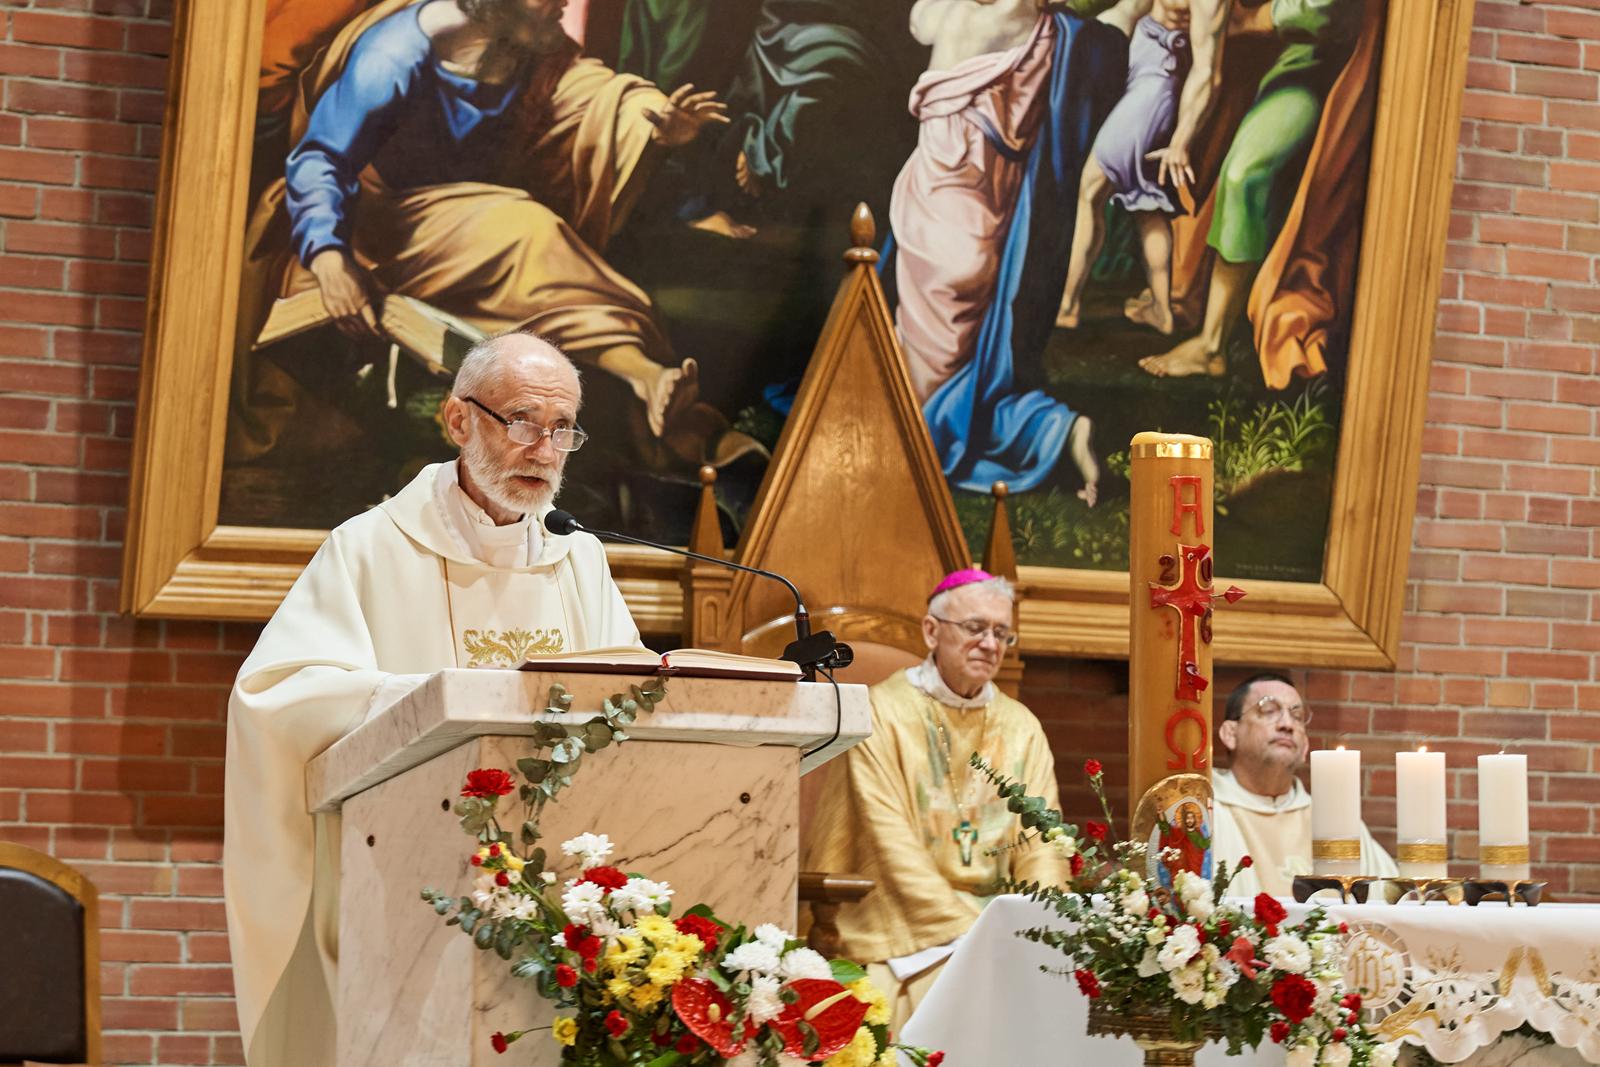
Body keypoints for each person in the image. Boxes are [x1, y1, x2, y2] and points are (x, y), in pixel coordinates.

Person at [224, 332, 643, 1067]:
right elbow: (276, 694)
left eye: (562, 429)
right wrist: (426, 700)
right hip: (407, 877)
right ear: (458, 420)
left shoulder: (579, 558)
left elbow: (625, 698)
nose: (544, 449)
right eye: (523, 422)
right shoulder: (371, 547)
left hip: (555, 883)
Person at [233, 0, 731, 464]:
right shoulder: (397, 51)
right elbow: (322, 158)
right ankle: (643, 374)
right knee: (526, 232)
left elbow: (592, 95)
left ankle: (647, 376)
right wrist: (328, 258)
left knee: (523, 236)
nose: (564, 3)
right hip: (374, 225)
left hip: (458, 218)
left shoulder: (523, 42)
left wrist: (654, 128)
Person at [883, 0, 1132, 503]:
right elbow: (1117, 26)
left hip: (938, 218)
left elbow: (919, 22)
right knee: (946, 385)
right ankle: (1062, 431)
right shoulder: (1047, 30)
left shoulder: (965, 15)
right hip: (983, 224)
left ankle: (1047, 431)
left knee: (921, 408)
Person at [802, 568, 1071, 1029]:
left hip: (1002, 925)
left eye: (1002, 633)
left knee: (1059, 987)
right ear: (932, 631)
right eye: (975, 628)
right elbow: (887, 846)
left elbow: (1042, 846)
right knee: (964, 990)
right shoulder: (882, 713)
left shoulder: (1021, 726)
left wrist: (1042, 928)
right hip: (908, 929)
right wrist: (975, 932)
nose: (990, 644)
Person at [1138, 0, 1357, 378]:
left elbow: (1322, 10)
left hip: (1305, 63)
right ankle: (1180, 287)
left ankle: (1211, 347)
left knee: (1244, 174)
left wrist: (1250, 19)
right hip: (1235, 59)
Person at [1055, 0, 1228, 336]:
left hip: (1154, 87)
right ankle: (1162, 312)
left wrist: (1181, 141)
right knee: (1148, 208)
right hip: (1141, 67)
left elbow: (1209, 72)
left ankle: (1067, 306)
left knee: (1090, 191)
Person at [1211, 671, 1396, 897]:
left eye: (1297, 716)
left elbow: (1390, 903)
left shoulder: (1338, 823)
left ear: (1305, 747)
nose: (1287, 724)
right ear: (1230, 733)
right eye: (1269, 711)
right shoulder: (1207, 812)